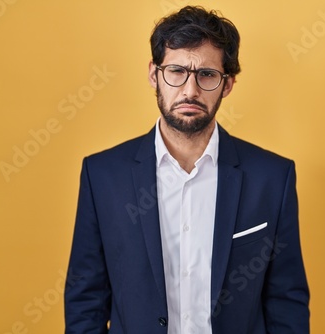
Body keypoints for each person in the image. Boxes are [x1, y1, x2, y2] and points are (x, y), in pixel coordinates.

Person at [64, 5, 310, 334]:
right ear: (154, 74)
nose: (190, 91)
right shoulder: (103, 176)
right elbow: (86, 299)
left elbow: (286, 300)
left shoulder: (272, 178)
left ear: (228, 84)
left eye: (206, 75)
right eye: (177, 71)